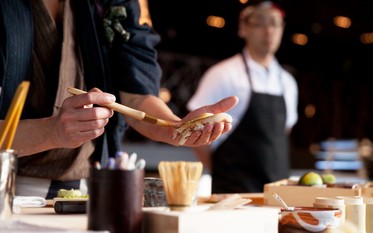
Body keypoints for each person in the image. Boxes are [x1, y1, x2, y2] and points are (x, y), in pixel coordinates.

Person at [0, 0, 238, 199]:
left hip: (88, 192)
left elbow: (136, 95)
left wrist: (175, 128)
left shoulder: (113, 1)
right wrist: (51, 131)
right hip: (8, 191)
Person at [187, 0, 298, 193]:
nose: (268, 30)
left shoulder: (288, 82)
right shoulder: (223, 74)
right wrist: (223, 172)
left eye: (274, 23)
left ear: (282, 29)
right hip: (233, 191)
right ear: (243, 28)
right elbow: (196, 130)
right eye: (259, 23)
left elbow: (283, 133)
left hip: (277, 194)